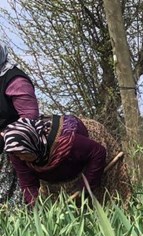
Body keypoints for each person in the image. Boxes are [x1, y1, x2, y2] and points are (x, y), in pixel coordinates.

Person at [2, 115, 115, 206]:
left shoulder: (66, 142)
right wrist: (38, 207)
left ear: (33, 145)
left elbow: (98, 152)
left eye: (24, 154)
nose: (21, 158)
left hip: (74, 160)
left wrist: (85, 188)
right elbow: (28, 183)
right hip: (55, 174)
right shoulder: (16, 153)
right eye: (18, 155)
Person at [0, 42, 40, 206]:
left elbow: (29, 117)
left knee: (9, 205)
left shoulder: (15, 80)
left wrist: (4, 135)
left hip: (11, 146)